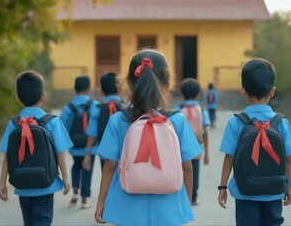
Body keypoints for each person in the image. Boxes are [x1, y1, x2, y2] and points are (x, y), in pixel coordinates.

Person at [94, 49, 202, 225]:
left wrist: (101, 202)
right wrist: (185, 204)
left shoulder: (118, 120)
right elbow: (187, 167)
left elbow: (109, 166)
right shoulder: (177, 120)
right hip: (168, 207)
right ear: (167, 84)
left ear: (129, 83)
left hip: (127, 207)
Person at [217, 58, 291, 226]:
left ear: (243, 91)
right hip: (274, 192)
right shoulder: (280, 122)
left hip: (244, 191)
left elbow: (229, 158)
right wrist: (289, 187)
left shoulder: (236, 122)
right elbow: (289, 159)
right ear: (272, 91)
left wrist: (223, 188)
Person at [0, 70, 71, 226]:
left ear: (18, 98)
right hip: (46, 184)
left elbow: (7, 156)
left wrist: (2, 183)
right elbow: (60, 152)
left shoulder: (14, 123)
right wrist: (65, 177)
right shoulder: (52, 122)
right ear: (43, 96)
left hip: (22, 185)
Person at [60, 76, 99, 209]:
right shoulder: (94, 106)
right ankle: (84, 199)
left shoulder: (68, 108)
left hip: (74, 145)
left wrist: (64, 146)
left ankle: (75, 191)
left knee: (76, 166)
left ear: (75, 89)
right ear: (88, 89)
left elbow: (62, 128)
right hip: (90, 146)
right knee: (87, 169)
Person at [176, 78, 210, 206]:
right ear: (198, 94)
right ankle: (193, 197)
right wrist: (206, 153)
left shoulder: (178, 108)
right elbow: (205, 131)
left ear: (182, 94)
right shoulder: (201, 110)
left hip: (179, 147)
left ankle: (181, 195)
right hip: (196, 146)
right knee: (194, 172)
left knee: (180, 171)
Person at [83, 72, 123, 171]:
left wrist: (87, 154)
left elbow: (92, 134)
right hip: (125, 153)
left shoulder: (97, 109)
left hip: (105, 154)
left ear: (102, 91)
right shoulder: (128, 108)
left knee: (107, 180)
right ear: (119, 89)